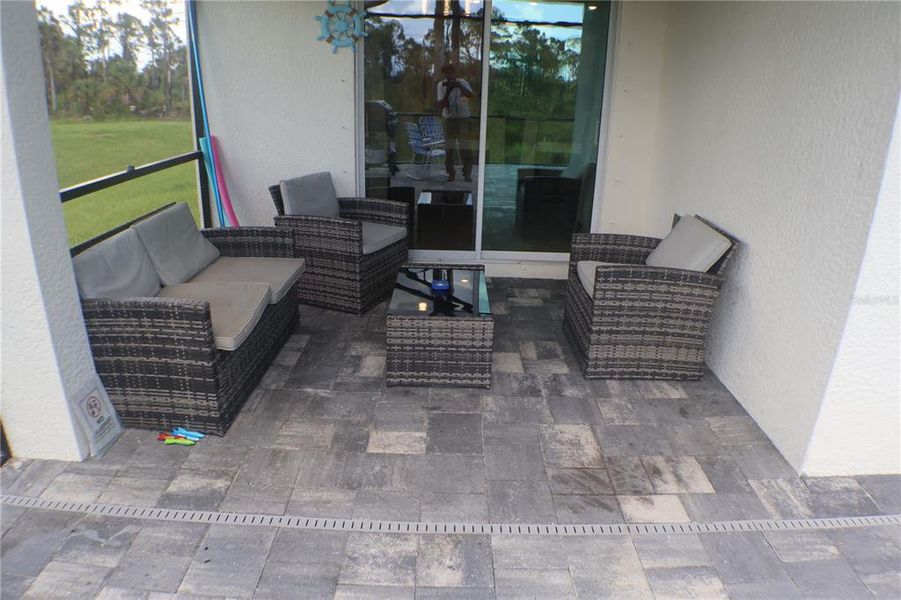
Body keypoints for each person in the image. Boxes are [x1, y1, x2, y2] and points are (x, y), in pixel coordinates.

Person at [436, 63, 475, 182]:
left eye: (450, 73)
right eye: (446, 74)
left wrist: (459, 86)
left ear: (454, 73)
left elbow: (471, 95)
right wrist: (448, 90)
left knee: (465, 147)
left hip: (463, 118)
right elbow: (441, 104)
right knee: (449, 147)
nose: (448, 76)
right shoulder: (441, 85)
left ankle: (467, 173)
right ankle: (451, 173)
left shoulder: (462, 82)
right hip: (450, 119)